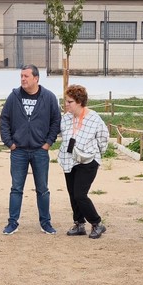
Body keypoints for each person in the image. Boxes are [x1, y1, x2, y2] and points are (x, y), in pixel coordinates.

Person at [0, 65, 60, 235]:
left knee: (42, 189)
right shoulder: (14, 96)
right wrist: (9, 143)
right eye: (21, 76)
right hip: (18, 151)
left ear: (36, 78)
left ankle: (46, 222)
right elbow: (4, 119)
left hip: (40, 151)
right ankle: (12, 223)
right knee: (16, 188)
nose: (23, 79)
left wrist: (48, 143)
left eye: (26, 76)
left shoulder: (48, 97)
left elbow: (56, 121)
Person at [57, 84, 110, 239]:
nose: (66, 104)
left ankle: (97, 223)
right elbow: (60, 133)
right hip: (69, 159)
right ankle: (79, 223)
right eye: (66, 101)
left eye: (70, 102)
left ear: (79, 102)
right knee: (72, 193)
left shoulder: (93, 118)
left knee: (80, 194)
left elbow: (103, 137)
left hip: (88, 160)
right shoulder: (66, 118)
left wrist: (96, 152)